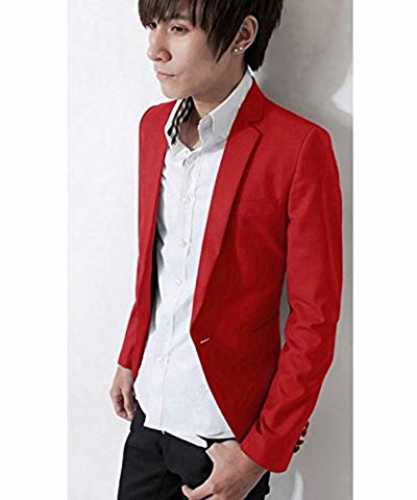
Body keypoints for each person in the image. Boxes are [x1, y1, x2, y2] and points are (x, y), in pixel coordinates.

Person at [110, 1, 343, 498]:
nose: (155, 49)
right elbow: (157, 263)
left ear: (242, 35)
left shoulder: (299, 147)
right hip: (148, 415)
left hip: (223, 438)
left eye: (178, 29)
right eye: (153, 27)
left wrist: (261, 453)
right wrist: (131, 356)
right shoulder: (153, 128)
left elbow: (315, 318)